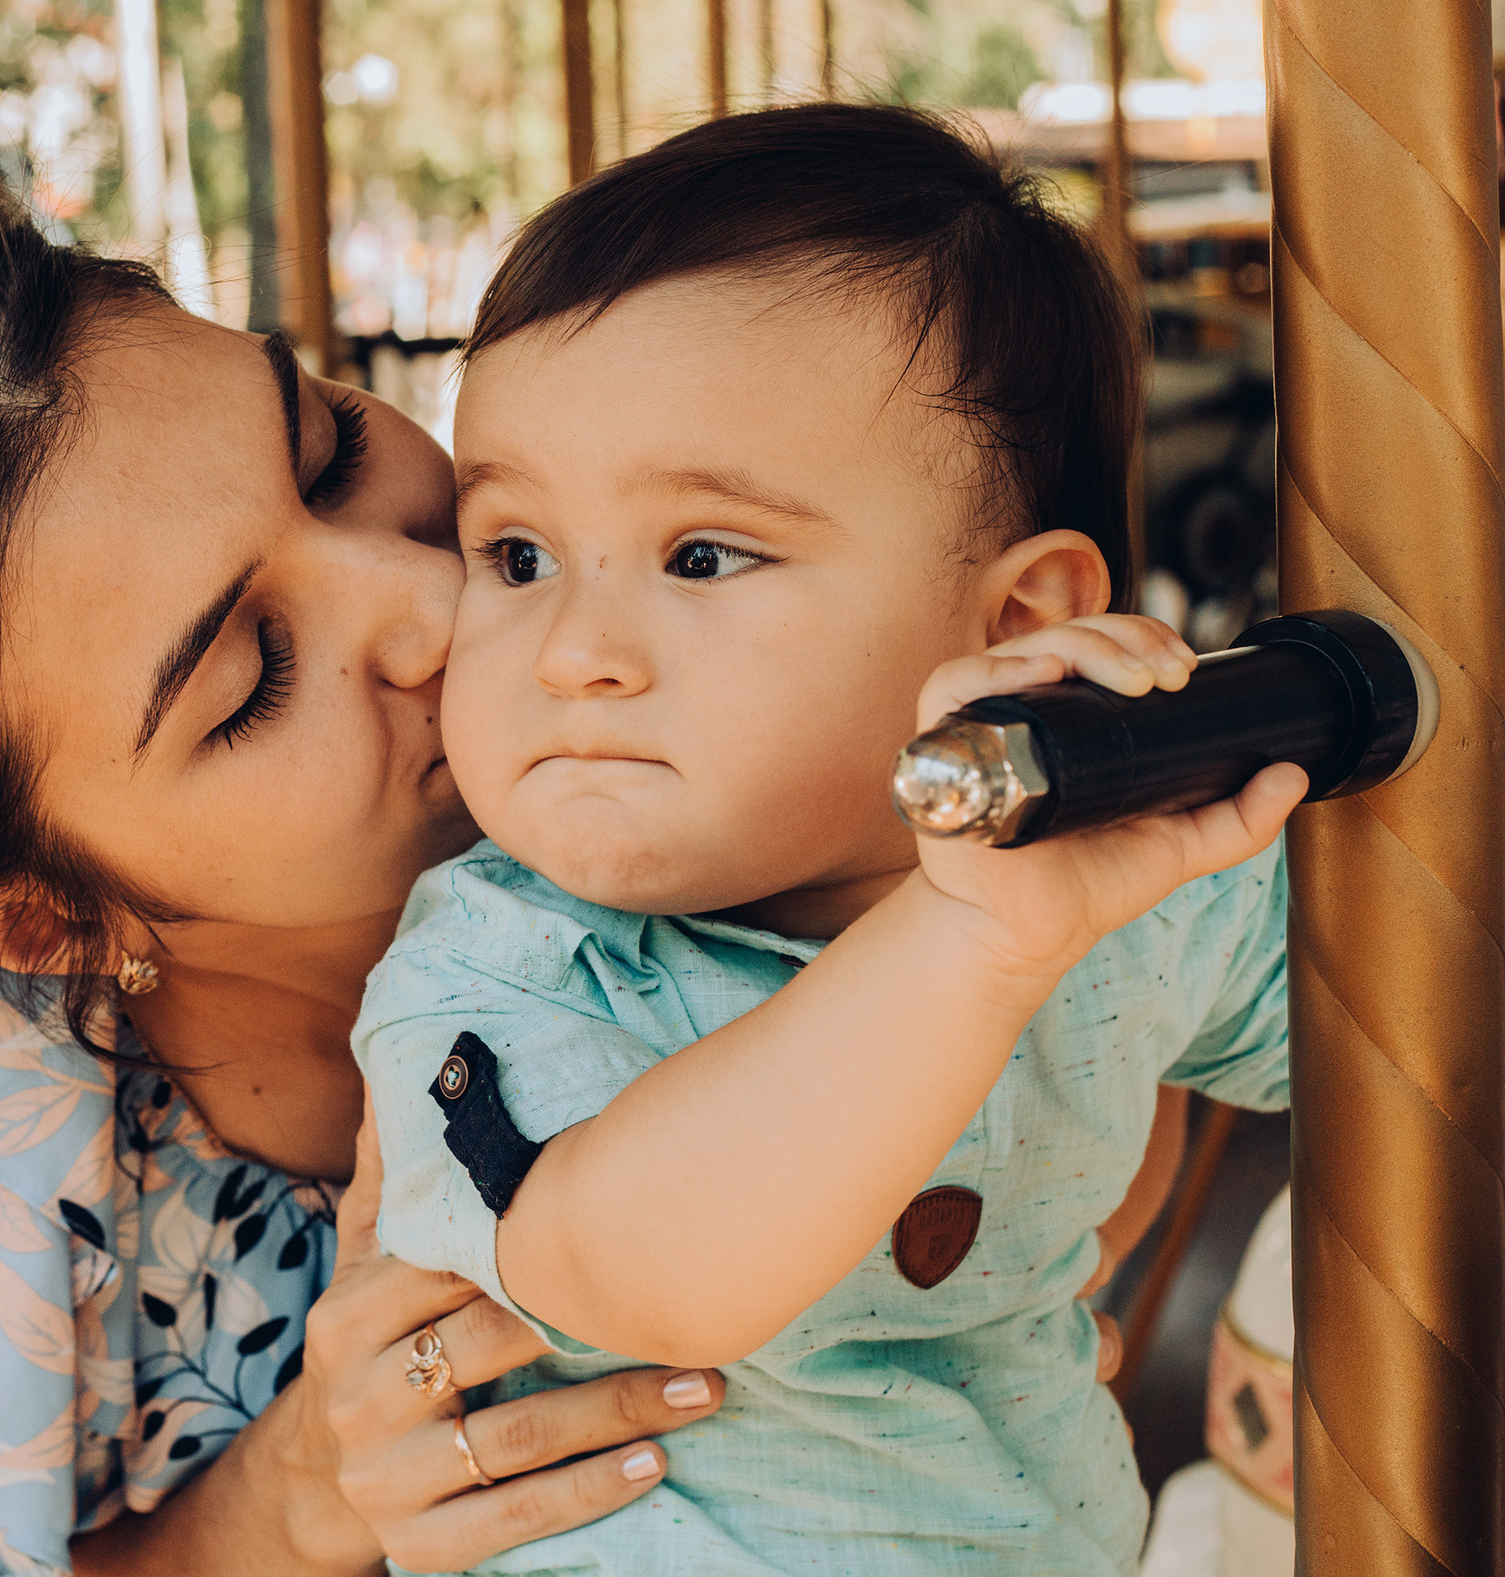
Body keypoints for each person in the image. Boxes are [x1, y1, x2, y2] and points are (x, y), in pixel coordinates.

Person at [0, 152, 1202, 1577]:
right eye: (248, 679)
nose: (446, 605)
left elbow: (1158, 1071)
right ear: (43, 912)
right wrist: (314, 1486)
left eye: (329, 446)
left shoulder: (728, 674)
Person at [351, 103, 1298, 1575]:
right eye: (517, 555)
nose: (574, 649)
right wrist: (971, 941)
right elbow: (638, 1265)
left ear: (1016, 623)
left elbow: (1404, 1022)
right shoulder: (505, 956)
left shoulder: (1120, 878)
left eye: (703, 554)